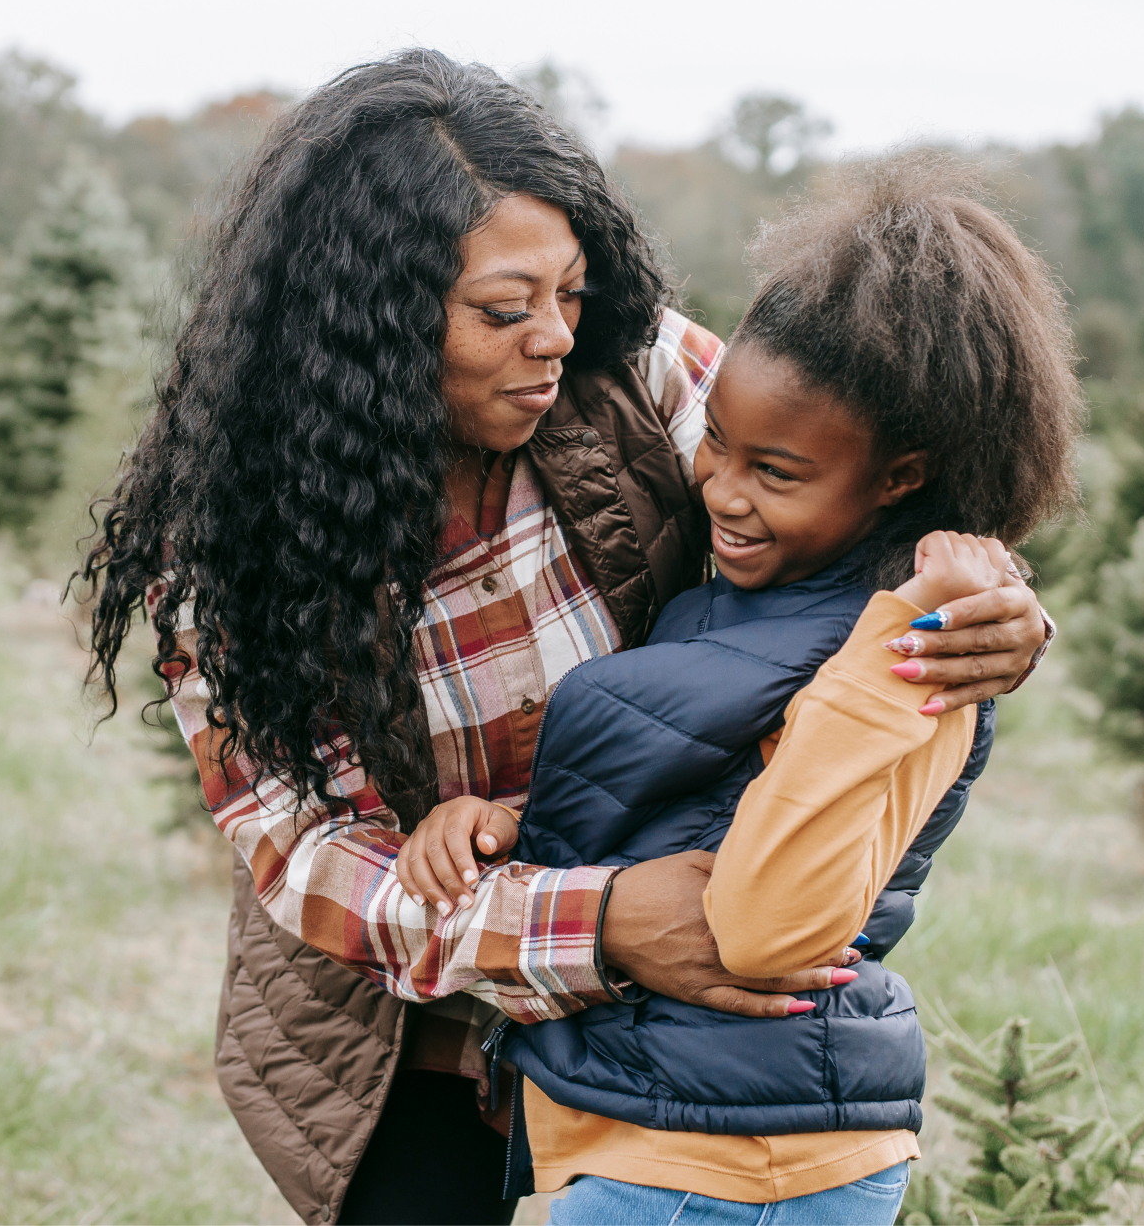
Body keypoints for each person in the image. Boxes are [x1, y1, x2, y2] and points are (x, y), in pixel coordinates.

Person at [79, 52, 1053, 1226]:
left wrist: (986, 600)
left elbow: (864, 482)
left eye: (570, 294)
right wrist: (604, 922)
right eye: (502, 310)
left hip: (664, 1053)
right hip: (417, 1042)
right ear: (371, 326)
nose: (552, 337)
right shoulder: (228, 550)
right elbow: (308, 859)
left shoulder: (633, 376)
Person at [392, 158, 1083, 1225]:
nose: (718, 486)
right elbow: (698, 798)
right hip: (661, 1135)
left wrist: (886, 654)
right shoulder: (742, 597)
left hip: (733, 1160)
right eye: (713, 443)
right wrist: (502, 826)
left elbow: (765, 924)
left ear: (897, 477)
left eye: (774, 472)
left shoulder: (911, 654)